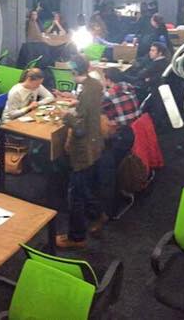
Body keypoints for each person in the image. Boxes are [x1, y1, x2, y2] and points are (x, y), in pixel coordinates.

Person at [56, 56, 105, 249]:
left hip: (83, 149)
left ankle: (77, 238)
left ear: (74, 71)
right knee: (85, 187)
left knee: (75, 194)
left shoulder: (86, 89)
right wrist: (74, 103)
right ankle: (98, 215)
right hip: (95, 143)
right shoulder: (94, 84)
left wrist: (66, 116)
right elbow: (87, 110)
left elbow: (79, 129)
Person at [99, 67, 140, 221]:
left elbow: (94, 110)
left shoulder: (109, 95)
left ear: (108, 79)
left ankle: (108, 210)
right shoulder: (129, 88)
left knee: (104, 168)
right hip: (133, 132)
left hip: (120, 138)